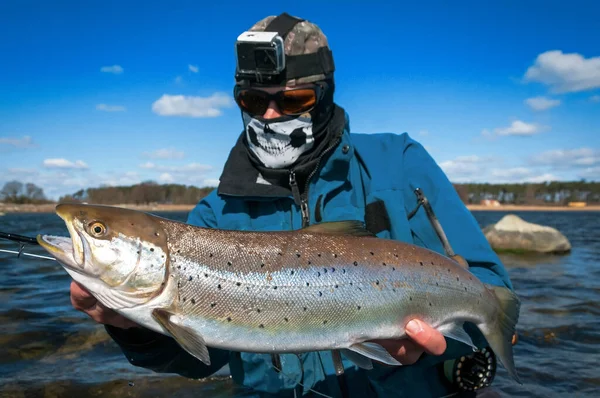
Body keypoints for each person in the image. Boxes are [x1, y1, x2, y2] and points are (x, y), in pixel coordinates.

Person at [70, 12, 516, 397]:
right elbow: (199, 360)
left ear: (324, 95)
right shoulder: (213, 215)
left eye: (293, 100)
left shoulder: (397, 162)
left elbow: (489, 286)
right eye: (253, 101)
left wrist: (449, 342)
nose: (270, 115)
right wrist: (129, 325)